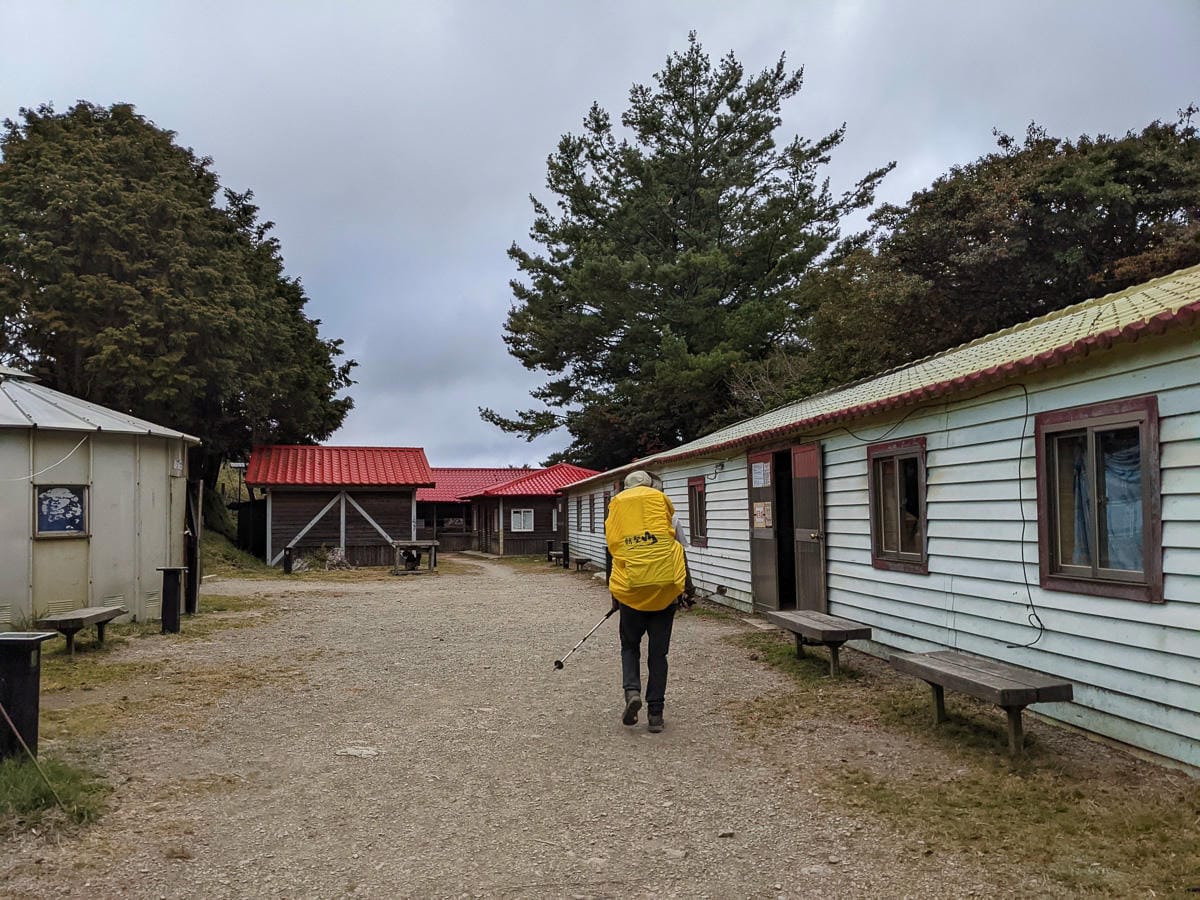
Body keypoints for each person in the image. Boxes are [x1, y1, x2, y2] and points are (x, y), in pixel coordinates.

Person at [604, 470, 694, 733]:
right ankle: (655, 713)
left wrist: (615, 596)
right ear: (651, 487)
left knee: (630, 647)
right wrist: (688, 590)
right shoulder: (666, 511)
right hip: (665, 593)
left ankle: (632, 691)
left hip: (632, 593)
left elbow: (614, 555)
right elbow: (679, 552)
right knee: (658, 654)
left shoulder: (617, 513)